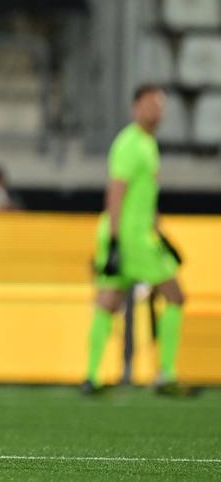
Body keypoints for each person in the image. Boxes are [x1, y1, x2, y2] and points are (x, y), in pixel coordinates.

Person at [83, 85, 194, 397]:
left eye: (160, 105)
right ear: (135, 108)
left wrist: (161, 233)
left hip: (133, 234)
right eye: (150, 104)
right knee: (175, 296)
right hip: (131, 236)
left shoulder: (146, 144)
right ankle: (166, 373)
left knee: (108, 300)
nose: (156, 111)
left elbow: (144, 198)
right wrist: (118, 240)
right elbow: (116, 192)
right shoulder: (131, 143)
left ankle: (90, 376)